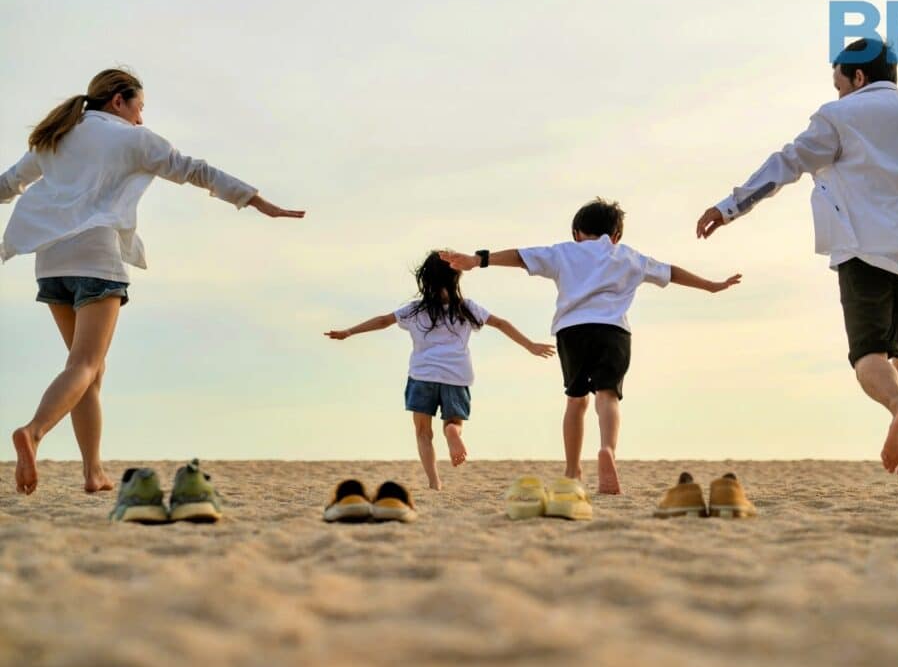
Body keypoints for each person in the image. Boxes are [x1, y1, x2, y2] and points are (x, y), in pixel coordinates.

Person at [695, 38, 898, 496]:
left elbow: (786, 165)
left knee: (870, 358)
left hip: (865, 252)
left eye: (839, 84)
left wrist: (731, 207)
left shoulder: (838, 116)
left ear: (859, 77)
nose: (838, 93)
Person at [1, 68, 305, 495]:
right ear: (118, 101)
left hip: (50, 262)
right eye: (139, 107)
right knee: (84, 365)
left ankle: (93, 472)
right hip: (96, 256)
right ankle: (33, 432)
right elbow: (194, 170)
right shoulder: (132, 139)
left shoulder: (56, 136)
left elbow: (8, 184)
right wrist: (256, 201)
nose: (141, 118)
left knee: (87, 369)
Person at [442, 198, 741, 494]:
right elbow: (671, 272)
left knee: (576, 400)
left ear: (576, 233)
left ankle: (573, 470)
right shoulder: (627, 256)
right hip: (614, 332)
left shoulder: (564, 252)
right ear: (616, 235)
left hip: (572, 332)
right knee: (607, 395)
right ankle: (607, 449)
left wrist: (477, 260)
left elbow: (520, 257)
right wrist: (710, 286)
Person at [324, 251, 554, 490]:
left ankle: (434, 482)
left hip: (422, 376)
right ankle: (453, 432)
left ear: (426, 279)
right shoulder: (467, 308)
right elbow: (501, 323)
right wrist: (530, 345)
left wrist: (349, 332)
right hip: (456, 376)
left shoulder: (414, 310)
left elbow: (383, 321)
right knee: (453, 422)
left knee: (423, 433)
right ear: (456, 277)